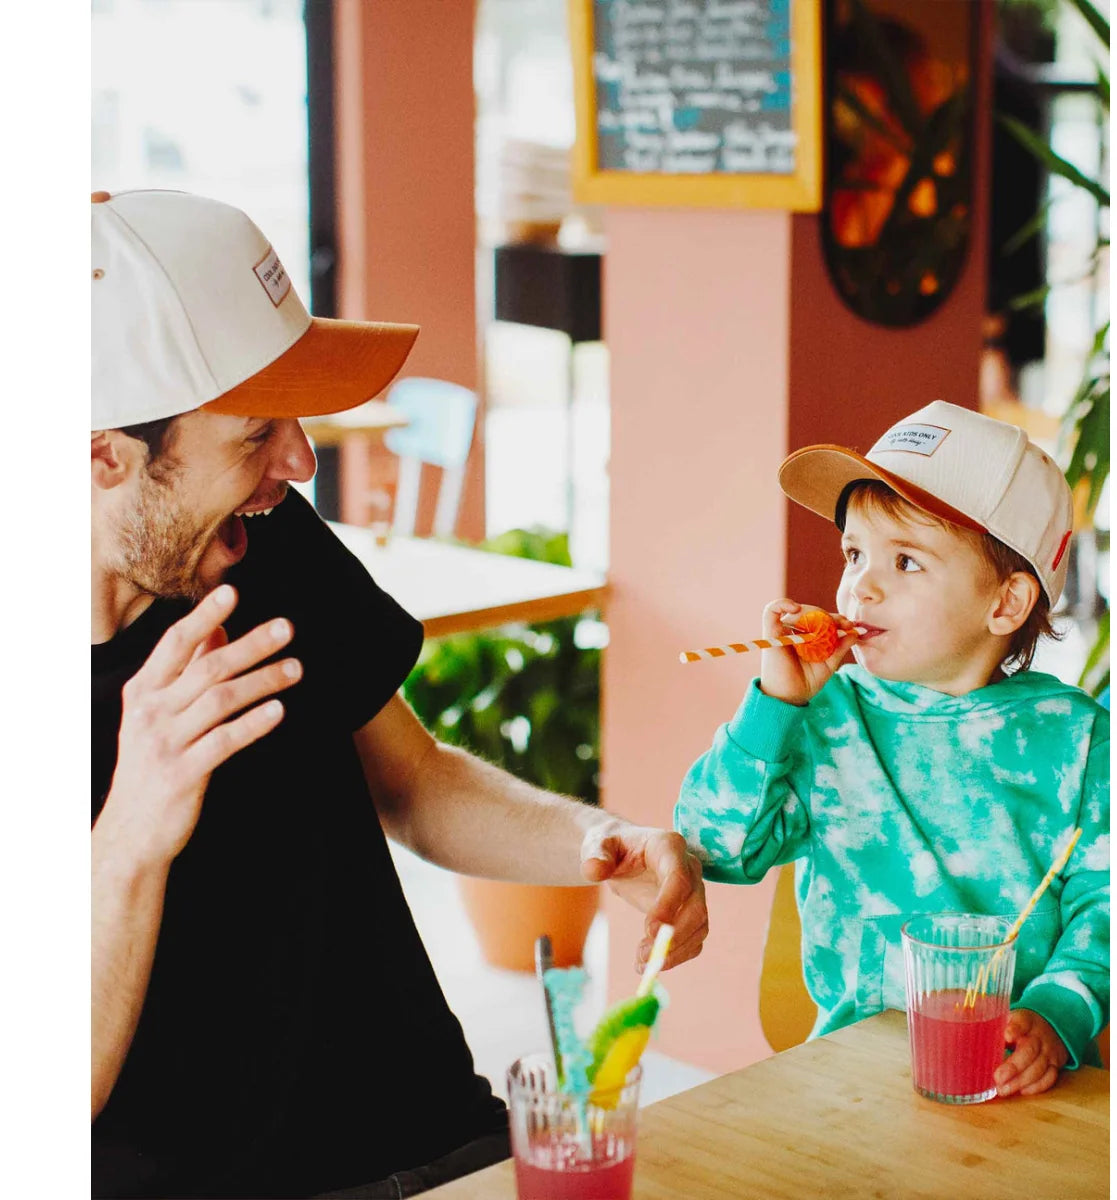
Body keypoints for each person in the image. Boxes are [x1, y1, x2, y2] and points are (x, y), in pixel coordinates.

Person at [91, 189, 708, 1200]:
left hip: (445, 1144)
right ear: (103, 452)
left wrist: (595, 841)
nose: (299, 461)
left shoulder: (259, 541)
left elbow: (414, 781)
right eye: (254, 434)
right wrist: (128, 834)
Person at [674, 400, 1108, 1098]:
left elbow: (1114, 906)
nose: (860, 585)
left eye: (905, 560)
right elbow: (715, 847)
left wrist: (1056, 1017)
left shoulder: (1079, 740)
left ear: (1006, 602)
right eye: (853, 552)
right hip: (846, 1084)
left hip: (1018, 1087)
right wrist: (774, 706)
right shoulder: (826, 716)